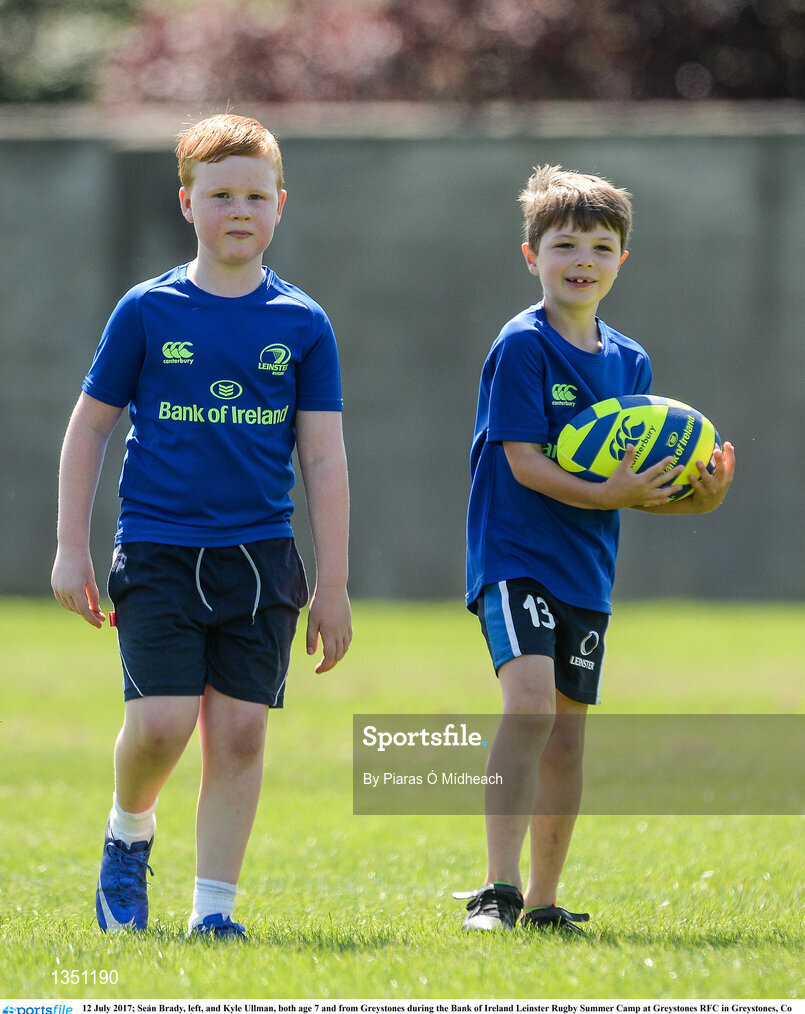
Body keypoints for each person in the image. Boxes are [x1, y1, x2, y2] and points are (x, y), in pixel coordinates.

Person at [51, 113, 352, 939]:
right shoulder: (147, 311)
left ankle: (212, 913)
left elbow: (323, 460)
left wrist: (334, 585)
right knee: (159, 724)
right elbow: (89, 427)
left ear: (280, 205)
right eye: (219, 194)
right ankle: (128, 832)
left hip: (260, 559)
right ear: (187, 203)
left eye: (256, 194)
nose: (239, 209)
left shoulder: (302, 323)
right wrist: (70, 544)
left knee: (242, 732)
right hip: (155, 549)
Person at [456, 165, 734, 934]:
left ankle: (544, 903)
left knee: (568, 739)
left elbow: (633, 482)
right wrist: (612, 495)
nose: (582, 258)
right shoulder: (522, 346)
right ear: (531, 255)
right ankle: (496, 891)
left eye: (600, 245)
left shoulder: (630, 362)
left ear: (620, 260)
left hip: (585, 569)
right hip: (514, 558)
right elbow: (524, 463)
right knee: (530, 706)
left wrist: (693, 495)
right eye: (564, 244)